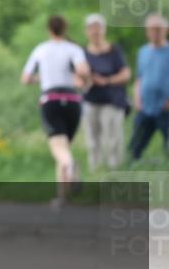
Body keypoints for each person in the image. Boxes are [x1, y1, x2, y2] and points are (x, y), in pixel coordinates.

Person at [21, 15, 90, 209]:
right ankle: (61, 196)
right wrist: (79, 79)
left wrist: (42, 79)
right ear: (65, 28)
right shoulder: (74, 49)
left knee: (59, 149)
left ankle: (71, 167)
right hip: (73, 101)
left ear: (49, 30)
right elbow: (83, 72)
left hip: (51, 100)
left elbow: (25, 78)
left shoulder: (41, 49)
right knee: (64, 147)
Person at [82, 13, 131, 171]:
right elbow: (76, 76)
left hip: (112, 100)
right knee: (92, 140)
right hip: (91, 100)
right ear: (87, 31)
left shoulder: (114, 50)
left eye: (98, 28)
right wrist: (88, 78)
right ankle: (95, 171)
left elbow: (126, 74)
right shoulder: (82, 53)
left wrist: (107, 80)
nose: (95, 32)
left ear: (104, 30)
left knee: (112, 139)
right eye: (92, 29)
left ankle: (114, 170)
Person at [128, 14, 169, 162]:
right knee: (135, 145)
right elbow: (139, 77)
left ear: (166, 30)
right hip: (145, 106)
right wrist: (137, 97)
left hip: (165, 107)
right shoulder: (143, 52)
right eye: (151, 29)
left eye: (158, 29)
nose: (154, 32)